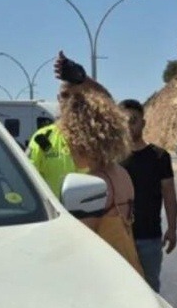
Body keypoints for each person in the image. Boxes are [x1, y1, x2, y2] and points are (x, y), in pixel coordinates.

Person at [53, 52, 144, 278]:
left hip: (108, 281)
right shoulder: (120, 174)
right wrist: (82, 81)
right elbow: (108, 103)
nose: (68, 147)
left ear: (82, 139)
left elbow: (77, 249)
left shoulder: (92, 185)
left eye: (70, 139)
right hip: (131, 272)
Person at [119, 99, 177, 292]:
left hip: (149, 238)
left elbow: (169, 195)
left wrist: (172, 229)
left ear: (143, 123)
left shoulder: (159, 157)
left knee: (150, 291)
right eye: (123, 121)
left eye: (133, 121)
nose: (128, 126)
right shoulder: (113, 157)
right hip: (119, 236)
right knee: (120, 290)